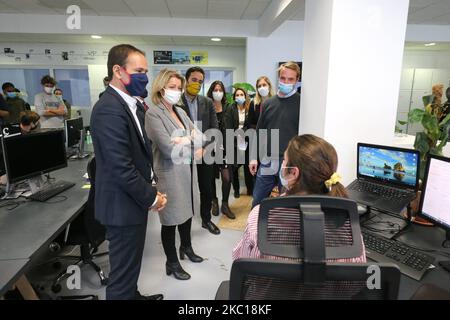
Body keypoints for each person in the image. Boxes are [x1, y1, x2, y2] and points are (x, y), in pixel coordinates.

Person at [90, 44, 166, 300]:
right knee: (121, 278)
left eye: (146, 71)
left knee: (131, 265)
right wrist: (152, 197)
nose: (144, 76)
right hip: (121, 206)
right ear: (118, 71)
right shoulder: (109, 109)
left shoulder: (131, 104)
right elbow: (121, 167)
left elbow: (139, 155)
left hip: (131, 203)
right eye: (139, 70)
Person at [233, 134, 366, 263]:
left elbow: (240, 263)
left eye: (284, 160)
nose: (282, 164)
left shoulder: (260, 216)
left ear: (294, 173)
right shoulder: (351, 227)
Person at [146, 68, 204, 281]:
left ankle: (186, 248)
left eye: (179, 88)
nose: (177, 91)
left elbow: (201, 137)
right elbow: (167, 149)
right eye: (172, 87)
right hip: (169, 173)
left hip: (187, 171)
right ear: (161, 88)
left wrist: (184, 140)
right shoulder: (153, 113)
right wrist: (189, 140)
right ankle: (171, 261)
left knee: (187, 212)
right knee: (170, 219)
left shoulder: (180, 111)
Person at [249, 61, 301, 208]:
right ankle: (256, 230)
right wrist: (253, 157)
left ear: (296, 80)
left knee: (286, 206)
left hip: (290, 162)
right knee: (257, 202)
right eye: (283, 78)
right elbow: (259, 133)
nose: (286, 82)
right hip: (268, 160)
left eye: (290, 79)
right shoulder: (268, 103)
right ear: (278, 78)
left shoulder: (301, 103)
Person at [179, 67, 220, 235]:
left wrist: (204, 148)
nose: (197, 84)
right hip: (184, 150)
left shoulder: (207, 102)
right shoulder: (176, 102)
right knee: (184, 186)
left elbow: (214, 128)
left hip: (204, 150)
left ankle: (206, 219)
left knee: (207, 187)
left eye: (200, 81)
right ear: (186, 80)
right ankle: (184, 222)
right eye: (193, 80)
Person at [206, 80, 235, 219]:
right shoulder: (206, 107)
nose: (218, 92)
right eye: (215, 89)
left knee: (226, 177)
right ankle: (214, 201)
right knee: (211, 177)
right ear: (211, 91)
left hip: (225, 148)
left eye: (220, 89)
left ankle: (225, 204)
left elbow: (234, 127)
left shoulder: (229, 107)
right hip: (210, 148)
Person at [225, 88, 254, 199]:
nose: (239, 96)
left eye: (241, 94)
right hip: (234, 142)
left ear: (245, 95)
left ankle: (250, 190)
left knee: (247, 167)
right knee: (234, 168)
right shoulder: (230, 108)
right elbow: (228, 125)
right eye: (237, 95)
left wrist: (243, 133)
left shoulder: (249, 108)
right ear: (234, 97)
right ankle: (236, 190)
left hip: (247, 141)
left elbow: (250, 124)